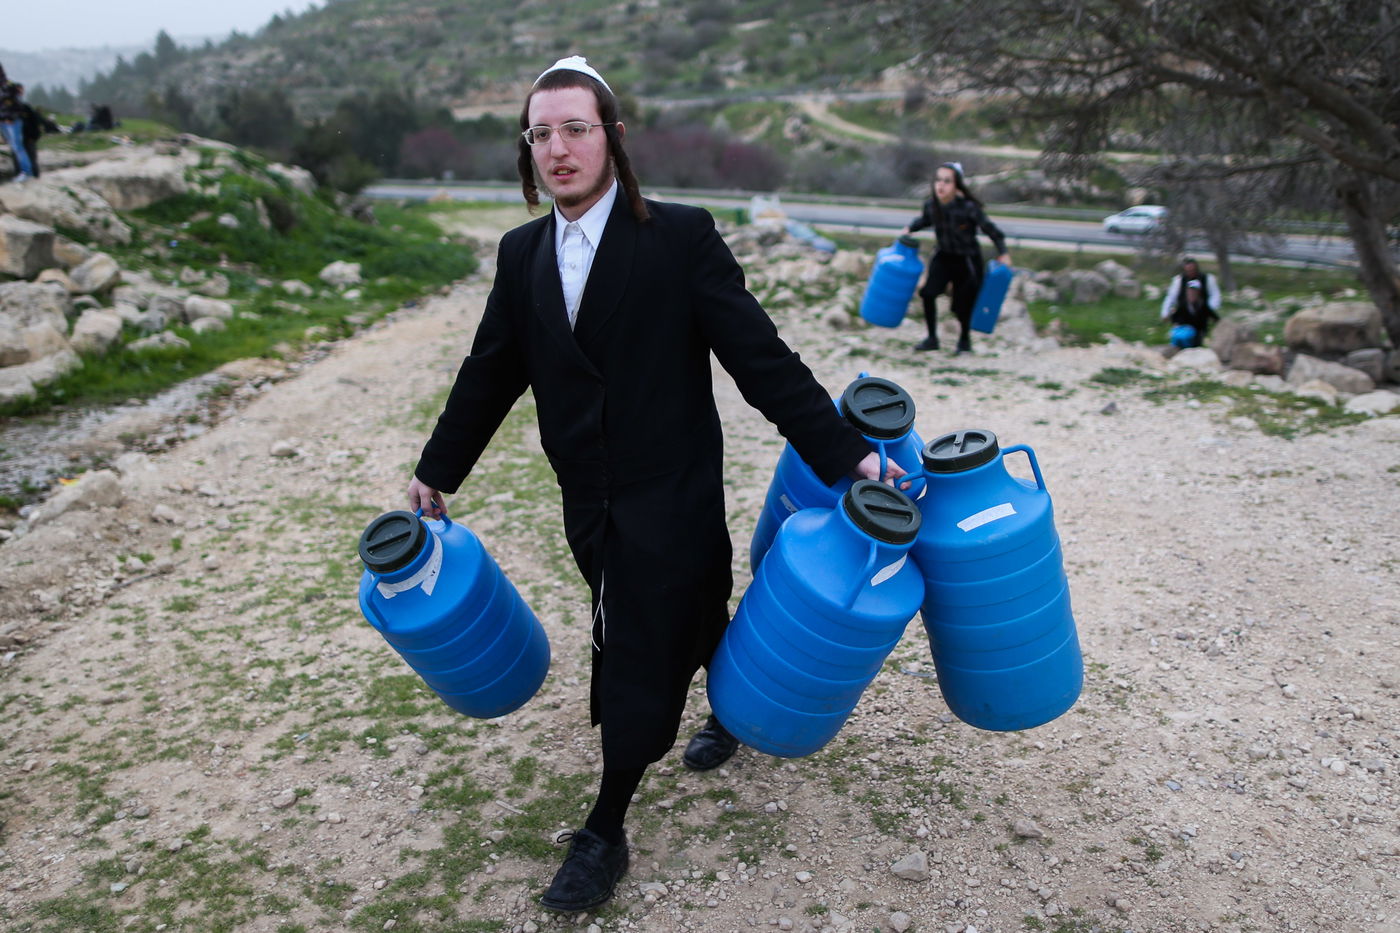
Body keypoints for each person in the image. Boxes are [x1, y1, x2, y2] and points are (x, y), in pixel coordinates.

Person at [406, 55, 905, 914]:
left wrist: (846, 454)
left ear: (613, 136)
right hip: (587, 495)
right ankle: (735, 703)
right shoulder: (522, 254)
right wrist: (436, 469)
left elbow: (759, 358)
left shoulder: (679, 238)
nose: (557, 148)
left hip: (673, 486)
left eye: (575, 128)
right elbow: (489, 372)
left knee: (633, 644)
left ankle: (605, 828)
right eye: (540, 133)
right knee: (691, 608)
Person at [901, 162, 1010, 354]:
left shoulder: (968, 208)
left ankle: (964, 341)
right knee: (927, 293)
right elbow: (925, 220)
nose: (941, 185)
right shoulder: (931, 205)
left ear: (956, 185)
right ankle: (932, 339)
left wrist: (1003, 252)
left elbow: (991, 230)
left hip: (966, 259)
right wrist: (910, 228)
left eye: (947, 181)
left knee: (962, 304)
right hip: (943, 256)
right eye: (938, 180)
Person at [1160, 257, 1222, 348]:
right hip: (1184, 326)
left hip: (1198, 328)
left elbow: (1215, 298)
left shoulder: (1207, 280)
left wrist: (1212, 311)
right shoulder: (1179, 281)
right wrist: (1166, 313)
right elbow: (1171, 298)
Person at [13, 85, 60, 179]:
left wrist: (34, 137)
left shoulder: (26, 108)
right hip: (16, 140)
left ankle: (34, 177)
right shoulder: (8, 110)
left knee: (31, 158)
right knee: (17, 159)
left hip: (29, 138)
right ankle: (20, 176)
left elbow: (35, 122)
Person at [0, 69, 35, 182]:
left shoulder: (9, 87)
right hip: (2, 121)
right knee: (13, 146)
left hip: (11, 122)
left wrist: (11, 117)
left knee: (17, 146)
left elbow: (17, 104)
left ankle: (27, 172)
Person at [1164, 278, 1219, 348]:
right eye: (1190, 291)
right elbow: (1175, 317)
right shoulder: (1183, 305)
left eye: (1194, 292)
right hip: (1183, 330)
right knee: (1177, 335)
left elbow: (1214, 317)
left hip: (1196, 334)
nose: (1192, 294)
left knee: (1186, 336)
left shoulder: (1203, 306)